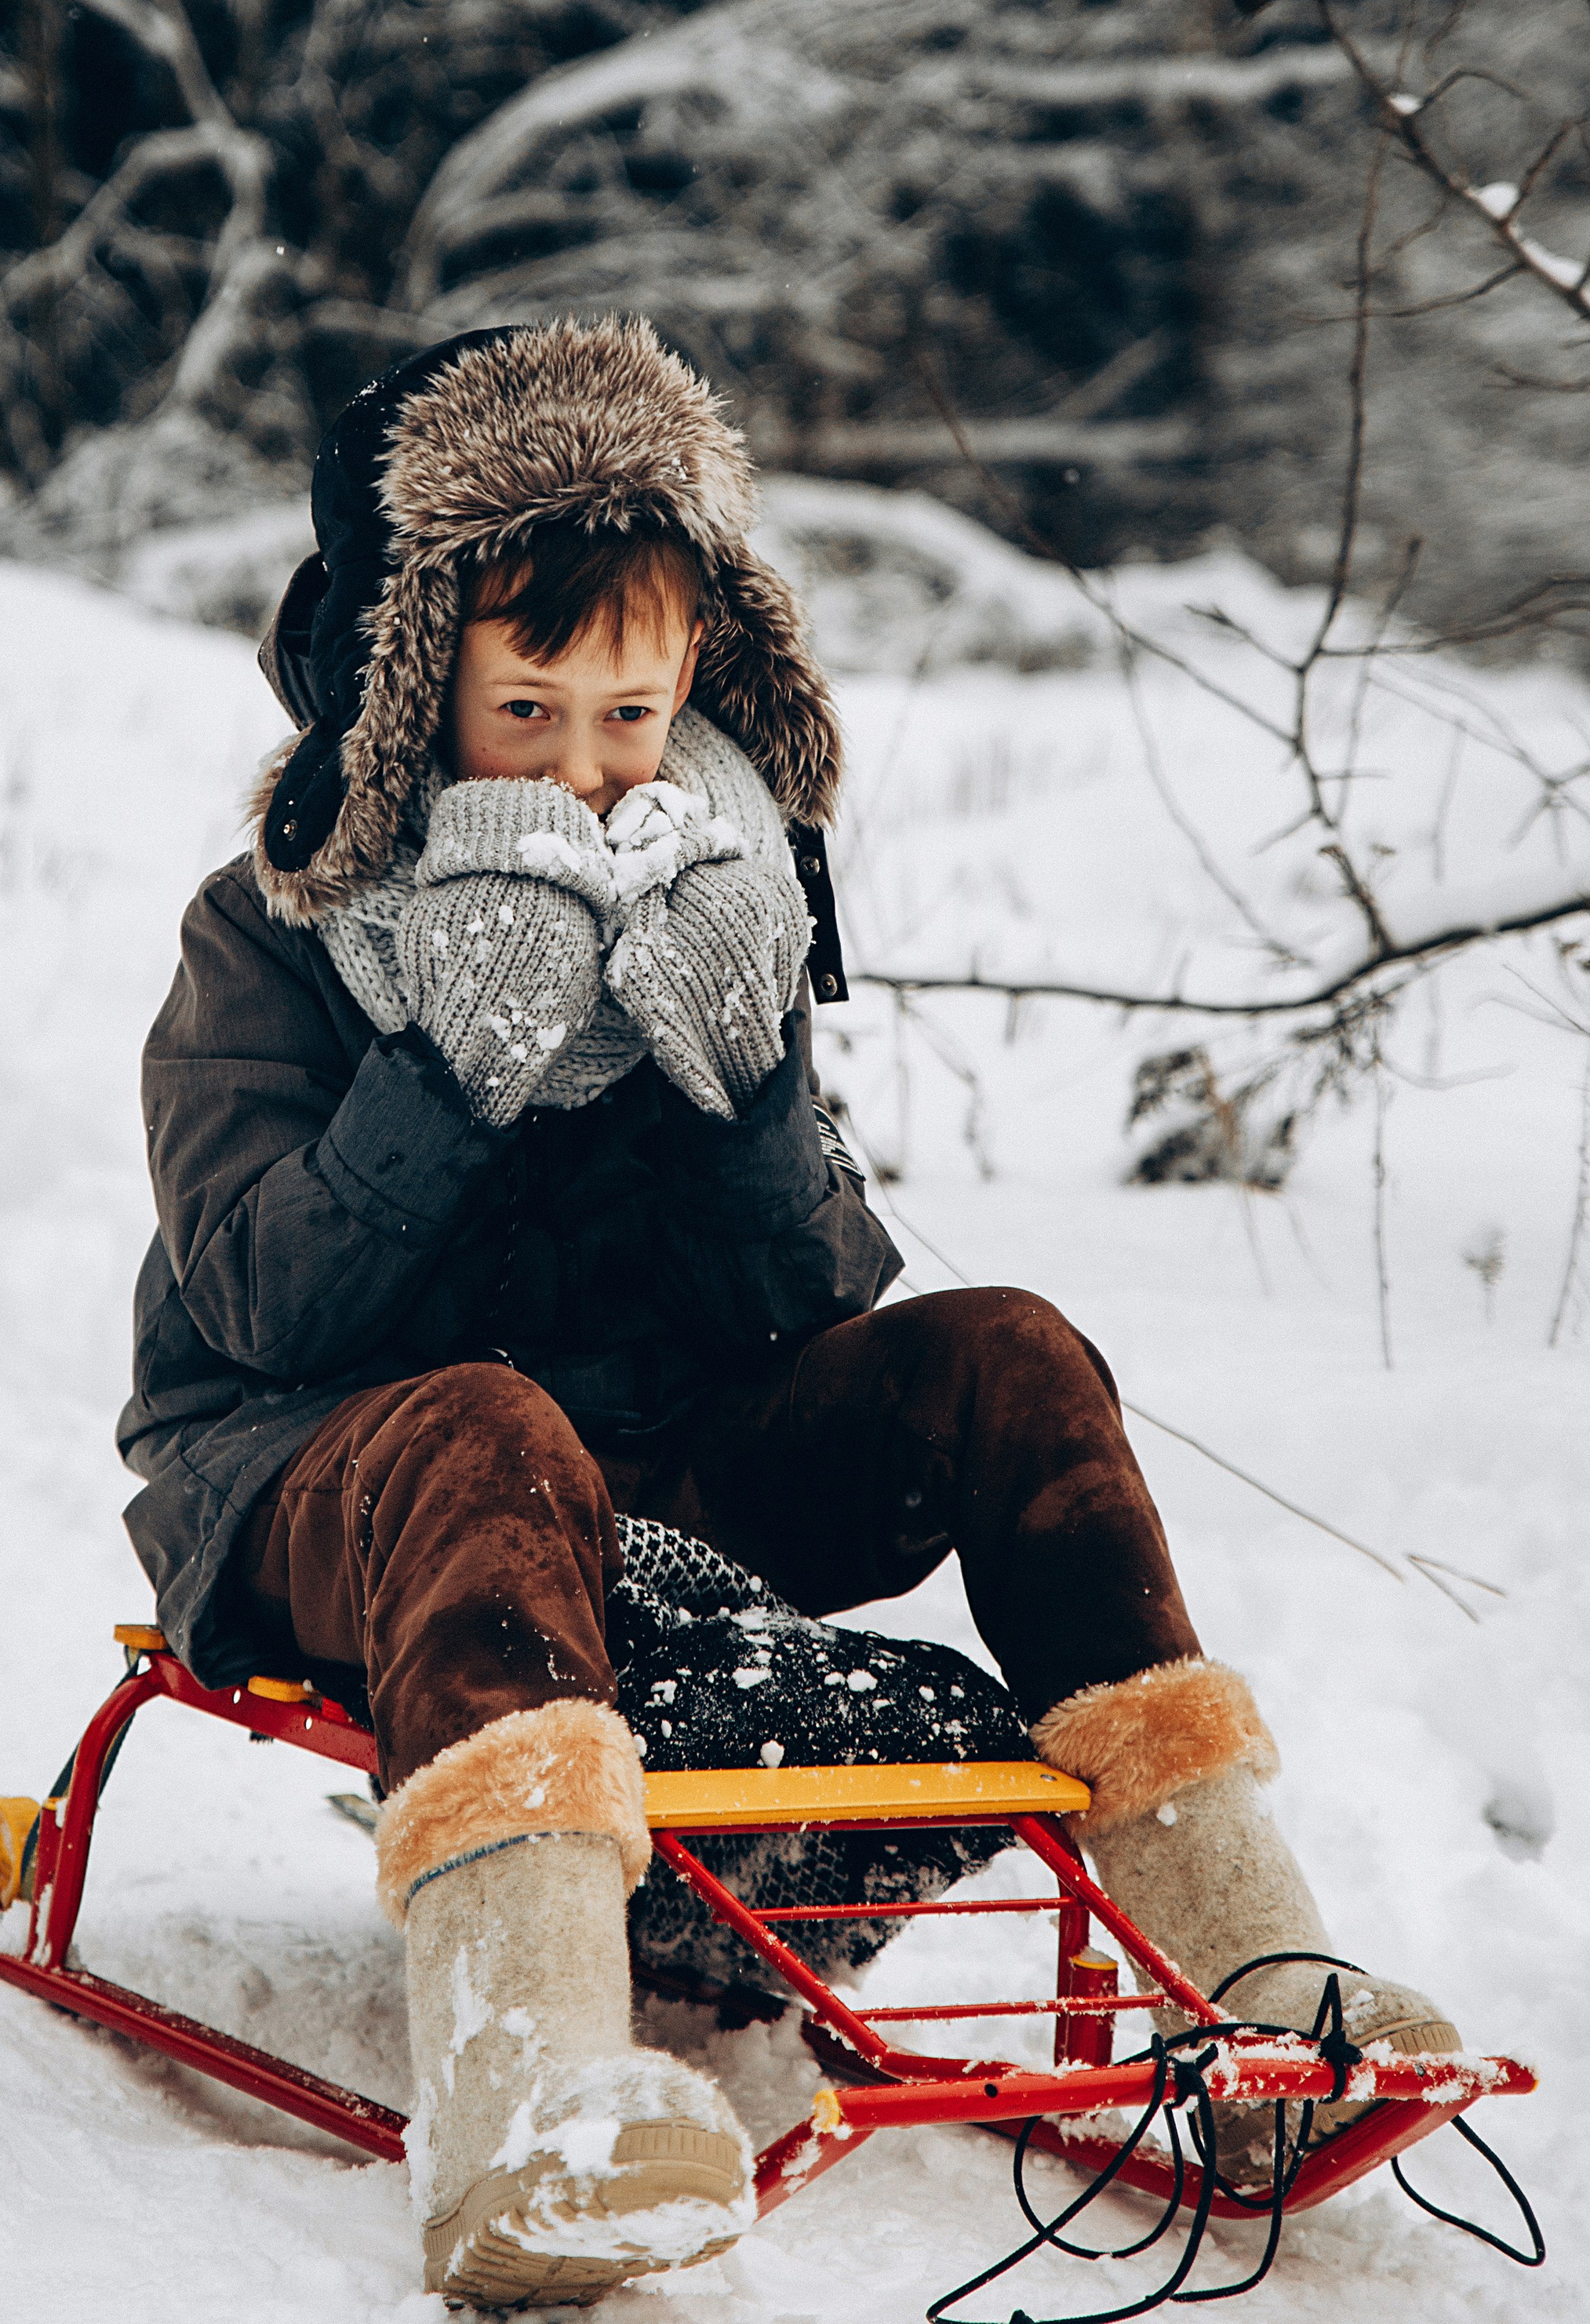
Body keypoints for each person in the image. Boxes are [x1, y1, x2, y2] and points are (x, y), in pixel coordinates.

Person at [118, 319, 1454, 2311]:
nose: (585, 765)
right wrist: (450, 1068)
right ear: (404, 693)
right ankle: (534, 2082)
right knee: (486, 1420)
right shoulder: (281, 926)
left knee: (1005, 1354)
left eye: (632, 712)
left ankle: (1246, 1962)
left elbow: (818, 1293)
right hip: (341, 1480)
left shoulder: (712, 894)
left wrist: (742, 1072)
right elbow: (261, 1298)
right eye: (524, 705)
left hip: (653, 1466)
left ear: (703, 688)